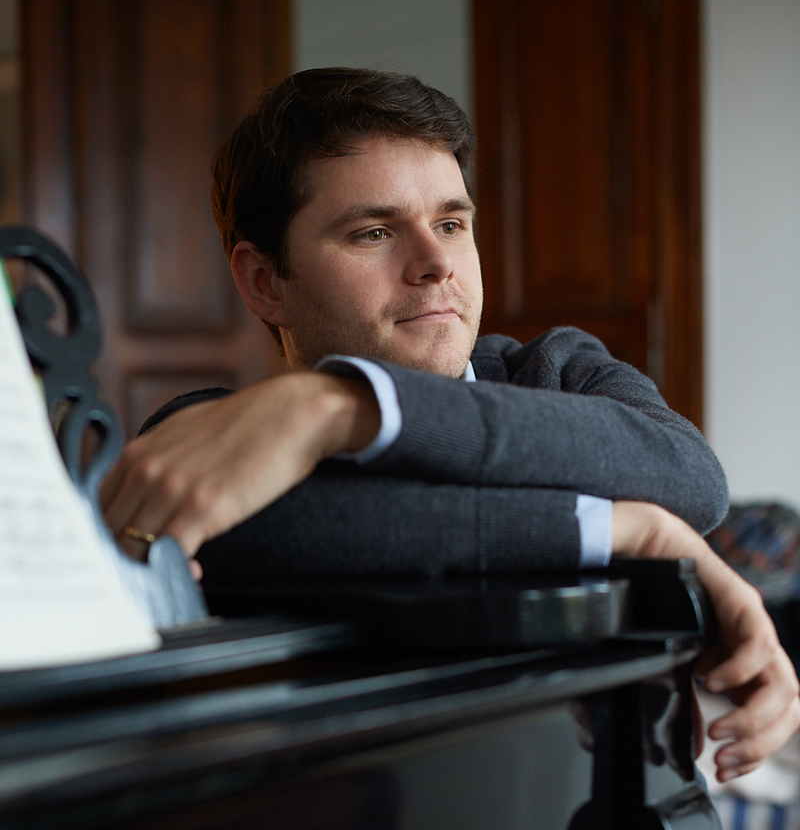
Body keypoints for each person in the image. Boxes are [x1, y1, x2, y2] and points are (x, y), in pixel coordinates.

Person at [100, 67, 799, 782]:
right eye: (374, 232)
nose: (437, 265)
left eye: (451, 224)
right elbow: (271, 529)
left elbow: (690, 477)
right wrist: (630, 530)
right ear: (264, 282)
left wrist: (342, 407)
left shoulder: (563, 369)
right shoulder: (202, 435)